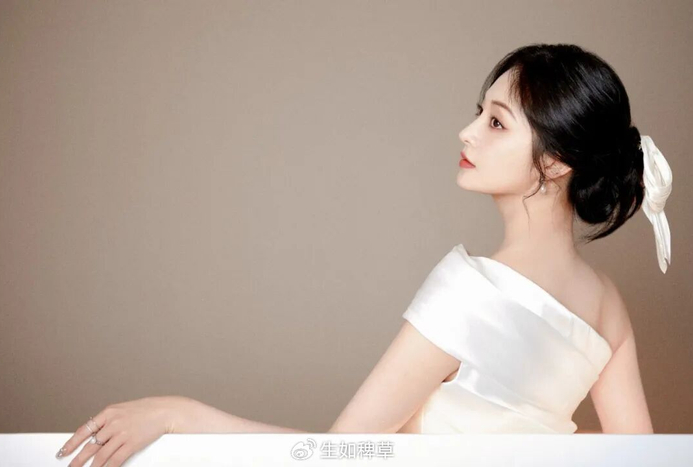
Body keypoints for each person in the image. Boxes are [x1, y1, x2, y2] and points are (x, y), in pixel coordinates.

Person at [55, 43, 672, 466]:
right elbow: (641, 459)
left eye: (496, 122)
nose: (466, 131)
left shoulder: (472, 295)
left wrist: (182, 416)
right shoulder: (606, 304)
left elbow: (337, 455)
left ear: (555, 161)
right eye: (478, 113)